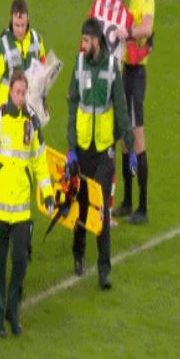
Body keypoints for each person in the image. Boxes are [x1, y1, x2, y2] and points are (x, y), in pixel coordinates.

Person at [66, 18, 137, 289]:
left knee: (102, 209)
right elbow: (72, 107)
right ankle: (78, 254)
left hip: (104, 151)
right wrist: (71, 148)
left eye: (86, 40)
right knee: (81, 204)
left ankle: (104, 270)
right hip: (83, 149)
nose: (82, 44)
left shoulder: (111, 68)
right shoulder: (79, 64)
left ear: (96, 41)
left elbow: (121, 108)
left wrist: (129, 146)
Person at [0, 70, 54, 337]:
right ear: (10, 92)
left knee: (21, 261)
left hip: (22, 208)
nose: (21, 97)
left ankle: (13, 310)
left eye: (24, 93)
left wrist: (47, 193)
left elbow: (39, 161)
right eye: (17, 92)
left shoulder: (32, 122)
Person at [88, 0, 153, 227]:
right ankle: (123, 203)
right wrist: (148, 47)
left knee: (127, 141)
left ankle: (139, 206)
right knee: (120, 144)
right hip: (119, 80)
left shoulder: (98, 6)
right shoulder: (126, 14)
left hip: (109, 82)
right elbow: (134, 53)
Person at [113, 0, 155, 224]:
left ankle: (142, 207)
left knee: (137, 138)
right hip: (127, 72)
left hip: (137, 74)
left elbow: (147, 29)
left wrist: (127, 32)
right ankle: (127, 201)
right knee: (125, 140)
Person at [0, 0, 46, 118]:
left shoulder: (37, 40)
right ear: (11, 20)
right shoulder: (3, 47)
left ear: (28, 20)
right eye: (17, 25)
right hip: (8, 115)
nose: (20, 30)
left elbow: (43, 68)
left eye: (23, 25)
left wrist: (43, 96)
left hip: (30, 113)